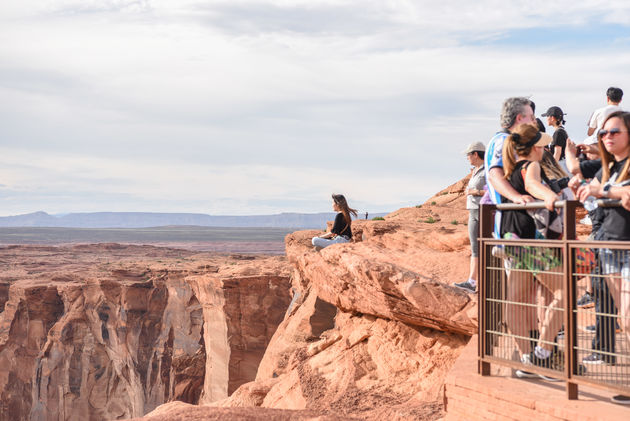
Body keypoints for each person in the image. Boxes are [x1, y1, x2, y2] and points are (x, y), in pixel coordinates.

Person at [577, 111, 630, 405]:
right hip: (610, 247)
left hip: (627, 247)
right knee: (624, 315)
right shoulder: (609, 168)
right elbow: (594, 192)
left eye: (614, 132)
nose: (607, 136)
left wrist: (604, 190)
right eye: (604, 133)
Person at [455, 141, 486, 293]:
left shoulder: (488, 170)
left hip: (484, 211)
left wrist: (475, 192)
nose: (467, 157)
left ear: (475, 154)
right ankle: (472, 281)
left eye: (468, 154)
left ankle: (477, 281)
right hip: (473, 210)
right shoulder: (476, 170)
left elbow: (495, 191)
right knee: (475, 246)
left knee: (485, 246)